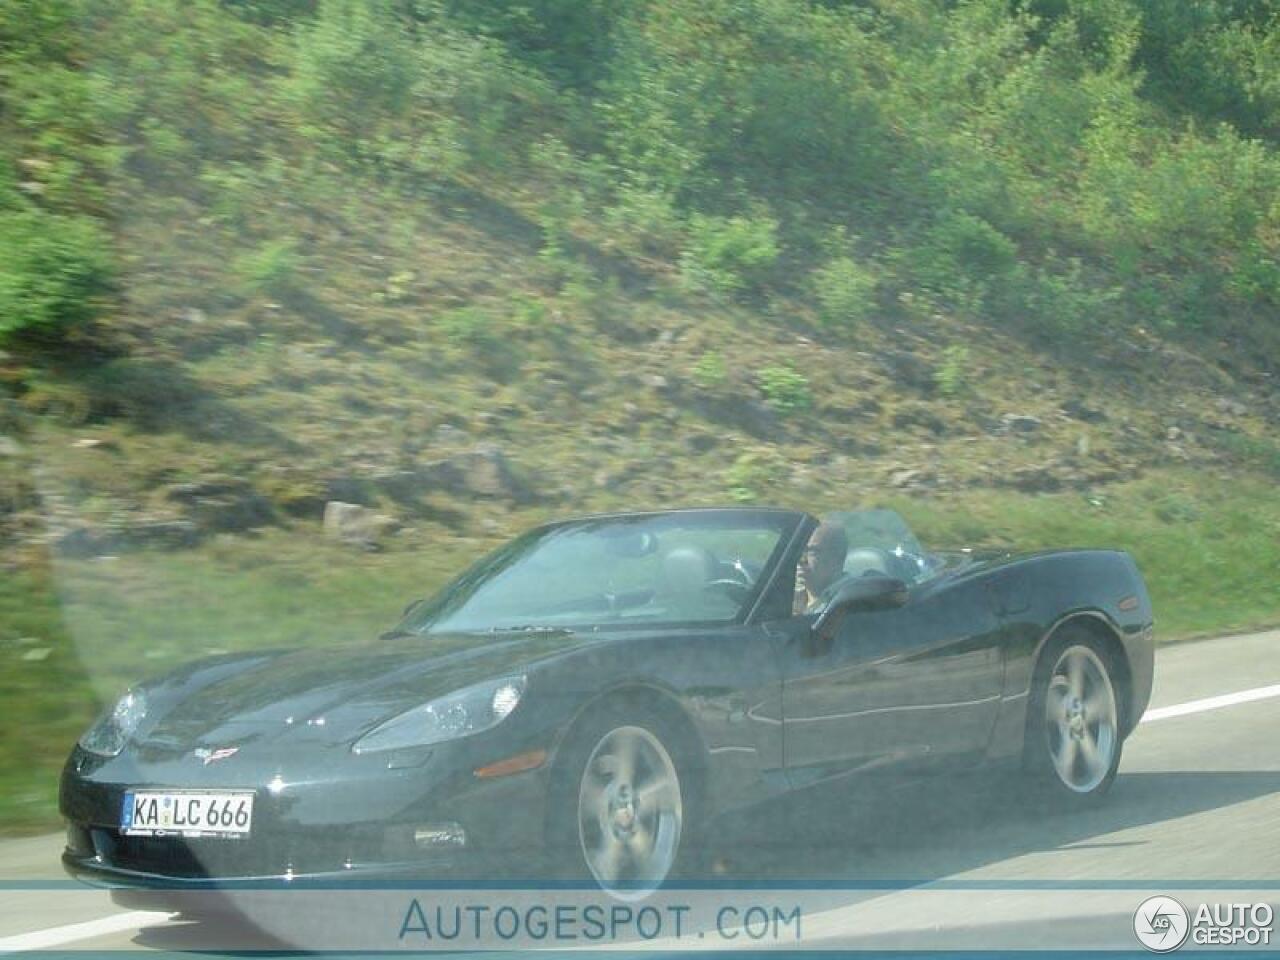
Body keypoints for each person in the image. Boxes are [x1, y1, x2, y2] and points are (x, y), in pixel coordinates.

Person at [793, 521, 848, 615]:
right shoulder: (790, 599)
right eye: (800, 551)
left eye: (812, 552)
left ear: (837, 557)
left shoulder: (848, 601)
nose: (801, 561)